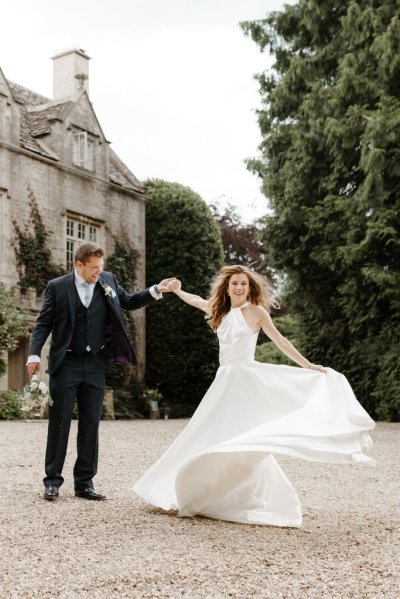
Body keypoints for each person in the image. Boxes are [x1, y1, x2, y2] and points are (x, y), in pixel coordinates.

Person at [133, 265, 375, 527]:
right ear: (227, 287)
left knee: (243, 436)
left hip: (245, 380)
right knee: (206, 432)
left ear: (250, 289)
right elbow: (197, 301)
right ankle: (202, 489)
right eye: (235, 283)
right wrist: (178, 291)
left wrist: (308, 366)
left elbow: (281, 341)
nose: (239, 288)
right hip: (224, 382)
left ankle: (245, 495)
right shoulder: (220, 310)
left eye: (244, 285)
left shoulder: (257, 312)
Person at [27, 242, 176, 501]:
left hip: (95, 363)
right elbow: (43, 324)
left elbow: (128, 301)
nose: (98, 272)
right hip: (66, 364)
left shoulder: (108, 279)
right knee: (59, 423)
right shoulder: (57, 287)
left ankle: (84, 483)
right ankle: (52, 482)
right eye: (94, 268)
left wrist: (155, 290)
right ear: (79, 264)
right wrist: (33, 353)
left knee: (90, 425)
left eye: (101, 267)